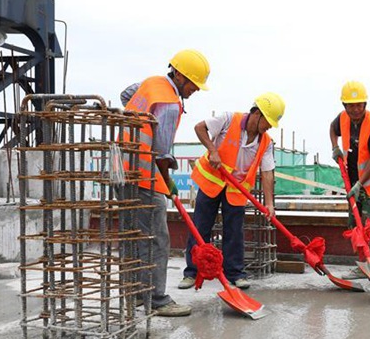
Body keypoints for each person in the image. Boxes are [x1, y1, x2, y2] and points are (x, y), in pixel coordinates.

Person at [119, 49, 211, 317]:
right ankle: (157, 299)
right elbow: (162, 153)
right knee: (157, 239)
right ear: (179, 75)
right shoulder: (170, 104)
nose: (195, 89)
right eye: (194, 83)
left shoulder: (150, 85)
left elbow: (127, 95)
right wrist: (168, 181)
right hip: (145, 177)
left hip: (122, 171)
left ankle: (134, 293)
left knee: (131, 237)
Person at [178, 93, 285, 290]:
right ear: (256, 113)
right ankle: (192, 272)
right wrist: (214, 150)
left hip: (235, 189)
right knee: (200, 228)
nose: (269, 126)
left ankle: (235, 273)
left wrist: (269, 204)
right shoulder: (228, 119)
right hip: (212, 182)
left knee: (234, 233)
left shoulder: (266, 142)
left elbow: (268, 172)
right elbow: (199, 127)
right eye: (268, 121)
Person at [329, 80, 370, 277]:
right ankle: (362, 266)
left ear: (365, 105)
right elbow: (332, 129)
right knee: (356, 227)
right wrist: (335, 147)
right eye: (351, 105)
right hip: (353, 184)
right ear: (345, 106)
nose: (356, 109)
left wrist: (360, 183)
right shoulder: (343, 119)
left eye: (359, 105)